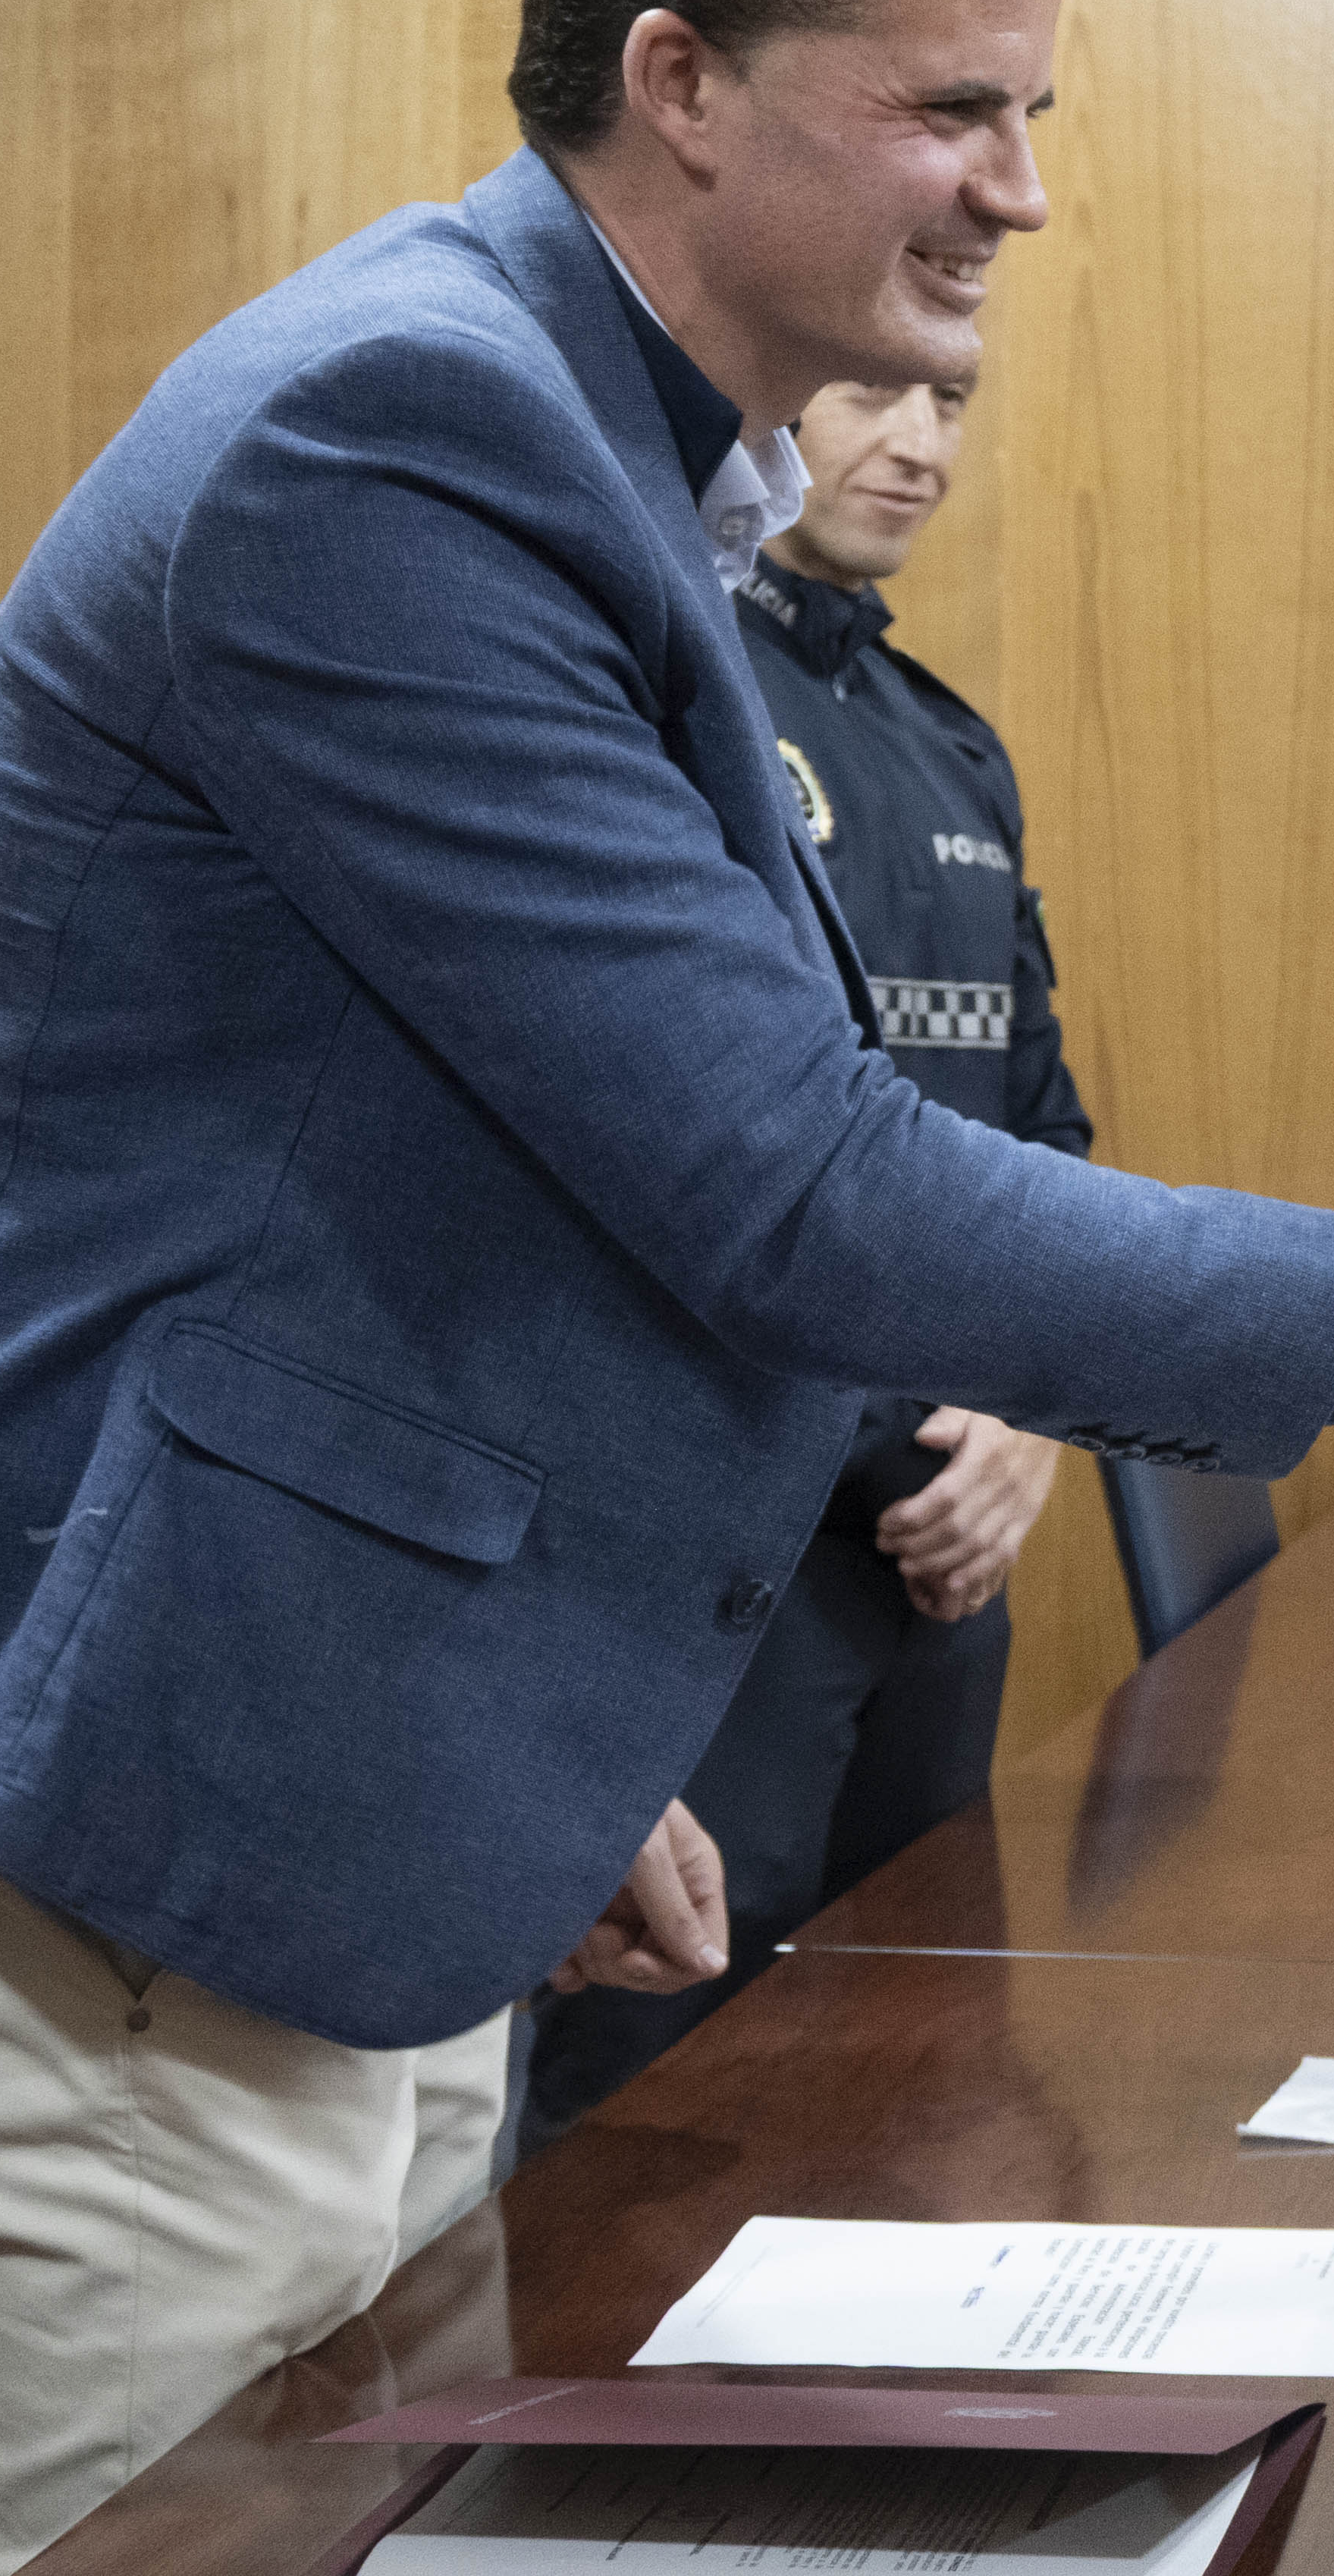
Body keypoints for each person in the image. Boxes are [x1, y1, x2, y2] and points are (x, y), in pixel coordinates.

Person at [0, 0, 1334, 2564]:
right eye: (954, 107)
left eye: (1031, 112)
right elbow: (790, 1187)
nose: (1018, 190)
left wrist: (524, 1737)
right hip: (139, 1881)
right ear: (679, 80)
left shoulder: (594, 453)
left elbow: (464, 1191)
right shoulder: (398, 442)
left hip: (340, 1831)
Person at [519, 370, 1081, 2156]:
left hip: (940, 1564)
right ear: (767, 411)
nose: (917, 440)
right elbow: (647, 1153)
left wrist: (1034, 1417)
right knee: (654, 2131)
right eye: (867, 393)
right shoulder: (671, 693)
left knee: (909, 2087)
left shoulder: (952, 744)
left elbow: (1044, 1141)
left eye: (954, 400)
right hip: (717, 1567)